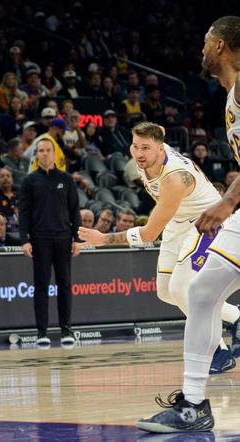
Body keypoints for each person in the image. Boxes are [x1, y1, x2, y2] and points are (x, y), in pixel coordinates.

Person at [136, 16, 240, 433]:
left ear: (220, 45)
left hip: (233, 204)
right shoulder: (231, 96)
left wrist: (227, 201)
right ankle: (194, 405)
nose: (201, 48)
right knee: (199, 290)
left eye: (205, 41)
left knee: (197, 290)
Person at [78, 122, 240, 376]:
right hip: (178, 221)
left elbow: (149, 234)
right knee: (165, 291)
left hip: (205, 220)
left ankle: (218, 350)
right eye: (135, 146)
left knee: (181, 288)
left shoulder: (174, 177)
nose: (139, 153)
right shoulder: (145, 157)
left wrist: (103, 239)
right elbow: (159, 130)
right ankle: (236, 317)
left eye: (146, 148)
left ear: (161, 148)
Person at [18, 139, 81, 347]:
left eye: (47, 150)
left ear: (54, 154)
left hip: (63, 238)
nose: (44, 154)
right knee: (41, 286)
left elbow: (74, 210)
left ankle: (66, 329)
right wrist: (25, 240)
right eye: (40, 151)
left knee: (65, 284)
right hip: (40, 239)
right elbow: (23, 213)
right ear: (36, 155)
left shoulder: (66, 179)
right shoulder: (29, 181)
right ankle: (42, 332)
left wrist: (77, 238)